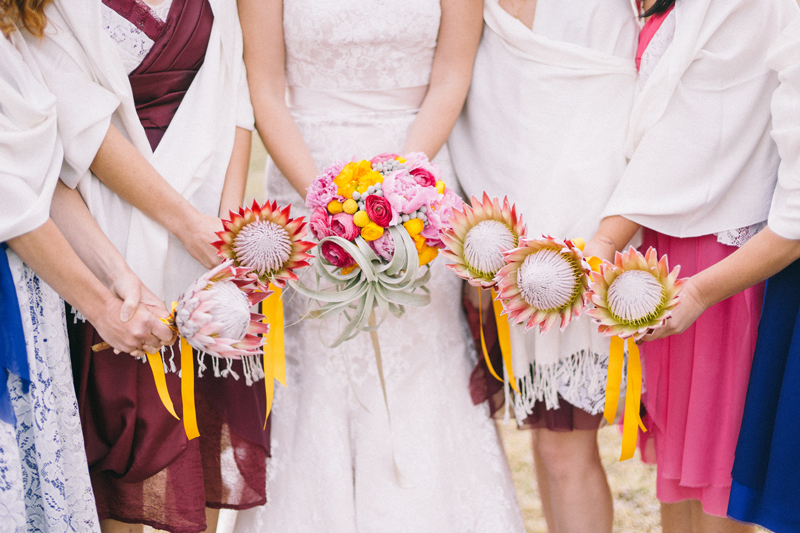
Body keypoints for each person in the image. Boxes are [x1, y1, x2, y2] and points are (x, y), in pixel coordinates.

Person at [233, 0, 525, 530]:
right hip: (309, 176)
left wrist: (401, 190)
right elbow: (265, 93)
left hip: (419, 178)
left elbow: (451, 76)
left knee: (418, 358)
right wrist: (324, 201)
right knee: (320, 366)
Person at [24, 0, 268, 531]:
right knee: (125, 463)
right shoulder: (46, 8)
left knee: (206, 450)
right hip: (110, 228)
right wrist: (181, 221)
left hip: (206, 240)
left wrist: (222, 229)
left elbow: (235, 99)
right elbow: (80, 124)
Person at [583, 0, 800, 531]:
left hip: (735, 268)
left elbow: (797, 214)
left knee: (719, 483)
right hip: (664, 254)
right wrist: (607, 239)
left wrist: (702, 292)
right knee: (678, 474)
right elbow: (669, 132)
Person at [448, 1, 638, 531]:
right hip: (501, 234)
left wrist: (589, 242)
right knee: (546, 441)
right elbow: (487, 103)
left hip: (581, 237)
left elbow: (616, 102)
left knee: (565, 451)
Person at [0, 1, 174, 529]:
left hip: (36, 286)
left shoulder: (15, 22)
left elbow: (43, 177)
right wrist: (101, 305)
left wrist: (121, 277)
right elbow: (11, 202)